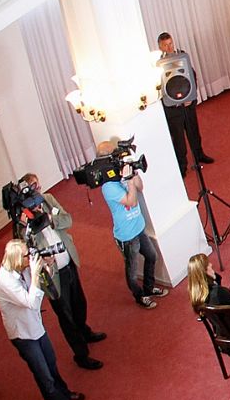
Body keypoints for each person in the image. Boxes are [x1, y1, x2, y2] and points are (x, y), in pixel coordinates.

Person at [15, 172, 104, 370]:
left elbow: (67, 220)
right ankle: (81, 354)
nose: (38, 190)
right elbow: (26, 247)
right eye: (33, 187)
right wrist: (26, 223)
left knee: (79, 303)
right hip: (52, 274)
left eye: (38, 185)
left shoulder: (48, 200)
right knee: (66, 315)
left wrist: (49, 218)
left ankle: (85, 331)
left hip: (68, 261)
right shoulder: (23, 220)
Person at [0, 239, 85, 400]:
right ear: (17, 259)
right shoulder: (5, 282)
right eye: (26, 256)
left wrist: (47, 267)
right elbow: (32, 302)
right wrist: (35, 274)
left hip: (36, 327)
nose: (30, 258)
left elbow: (44, 287)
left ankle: (65, 394)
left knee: (51, 364)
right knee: (45, 378)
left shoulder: (22, 269)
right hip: (24, 336)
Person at [97, 142, 166, 309]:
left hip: (139, 227)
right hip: (126, 236)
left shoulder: (122, 172)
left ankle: (149, 288)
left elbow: (140, 187)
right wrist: (128, 181)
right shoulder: (108, 187)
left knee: (151, 256)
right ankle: (139, 296)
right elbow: (131, 201)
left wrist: (133, 171)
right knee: (132, 272)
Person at [155, 33, 213, 177]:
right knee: (178, 139)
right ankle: (182, 165)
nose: (169, 47)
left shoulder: (182, 56)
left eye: (170, 43)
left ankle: (199, 155)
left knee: (194, 132)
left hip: (187, 104)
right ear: (160, 46)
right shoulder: (157, 64)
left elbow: (192, 76)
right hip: (173, 109)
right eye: (165, 45)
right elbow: (159, 86)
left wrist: (191, 97)